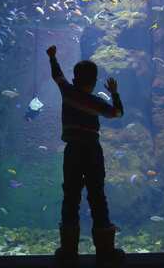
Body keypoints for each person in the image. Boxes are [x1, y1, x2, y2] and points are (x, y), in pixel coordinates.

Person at [47, 45, 126, 268]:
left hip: (72, 151)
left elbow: (57, 75)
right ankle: (106, 252)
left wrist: (53, 56)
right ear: (94, 81)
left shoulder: (68, 91)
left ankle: (69, 252)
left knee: (71, 196)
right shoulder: (97, 102)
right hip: (92, 150)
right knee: (97, 196)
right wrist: (114, 93)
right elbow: (117, 113)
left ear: (75, 77)